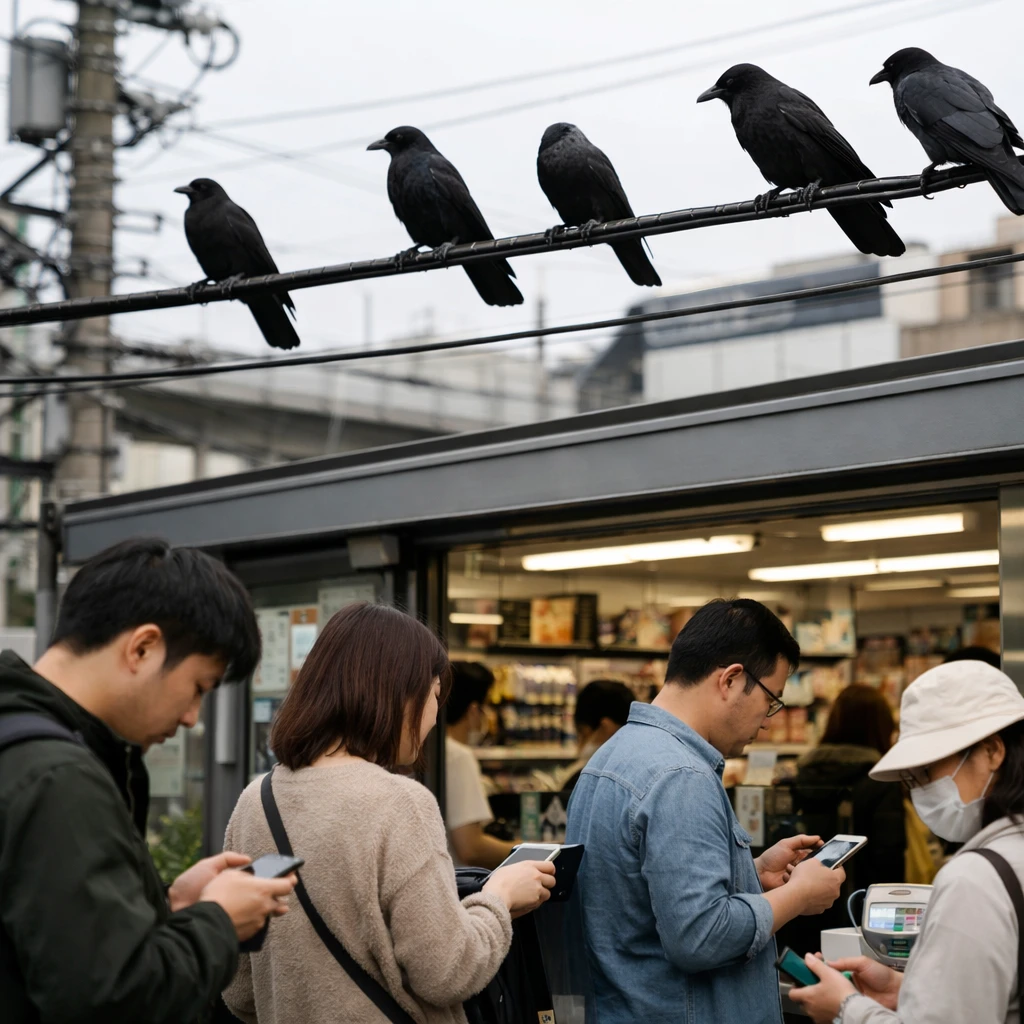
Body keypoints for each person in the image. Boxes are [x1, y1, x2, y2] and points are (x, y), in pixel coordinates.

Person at [0, 537, 296, 1024]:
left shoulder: (24, 744)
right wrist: (217, 922)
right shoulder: (60, 780)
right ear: (142, 647)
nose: (191, 718)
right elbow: (114, 999)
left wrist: (167, 907)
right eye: (198, 687)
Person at [223, 604, 555, 1024]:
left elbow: (239, 990)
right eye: (436, 695)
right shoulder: (400, 803)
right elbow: (448, 971)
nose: (435, 717)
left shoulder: (257, 801)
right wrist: (500, 898)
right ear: (401, 693)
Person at [566, 598, 844, 1024]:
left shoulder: (612, 756)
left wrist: (748, 872)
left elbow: (644, 898)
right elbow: (701, 936)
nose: (768, 720)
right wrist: (799, 893)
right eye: (771, 699)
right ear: (731, 679)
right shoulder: (681, 775)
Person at [789, 659, 1024, 1023]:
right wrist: (912, 988)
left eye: (926, 772)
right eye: (911, 782)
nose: (922, 793)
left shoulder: (974, 880)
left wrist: (846, 1008)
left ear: (993, 752)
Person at [778, 685, 905, 953]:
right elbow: (888, 860)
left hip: (799, 915)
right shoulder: (881, 780)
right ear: (880, 728)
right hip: (858, 917)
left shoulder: (802, 776)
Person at [445, 660, 516, 868]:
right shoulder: (458, 756)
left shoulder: (434, 750)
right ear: (474, 710)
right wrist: (530, 850)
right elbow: (472, 848)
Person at [553, 678, 634, 796]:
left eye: (583, 732)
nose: (580, 743)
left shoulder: (586, 777)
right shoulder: (643, 771)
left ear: (607, 727)